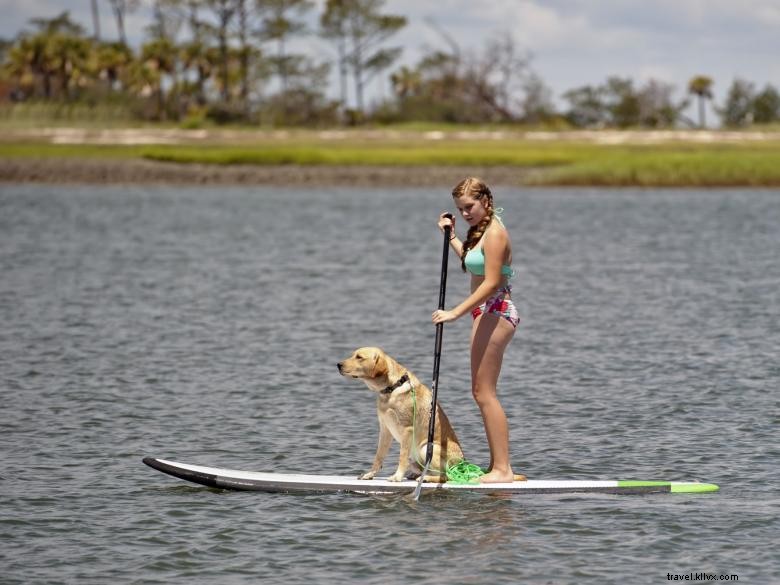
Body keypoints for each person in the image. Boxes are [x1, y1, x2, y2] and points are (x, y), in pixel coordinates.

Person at [432, 177, 521, 483]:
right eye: (460, 208)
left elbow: (493, 282)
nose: (466, 212)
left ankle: (503, 470)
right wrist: (452, 236)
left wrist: (456, 312)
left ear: (485, 200)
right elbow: (474, 265)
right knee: (480, 391)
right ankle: (498, 466)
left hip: (496, 312)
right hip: (485, 313)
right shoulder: (480, 231)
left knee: (485, 392)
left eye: (469, 206)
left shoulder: (495, 233)